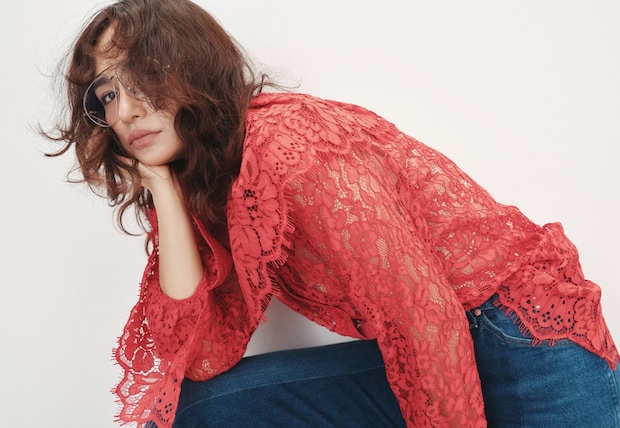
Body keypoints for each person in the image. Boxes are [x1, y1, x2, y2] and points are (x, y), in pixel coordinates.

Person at [43, 0, 620, 427]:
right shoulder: (208, 186)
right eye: (107, 94)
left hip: (524, 340)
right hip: (434, 351)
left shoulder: (289, 145)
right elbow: (198, 354)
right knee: (193, 413)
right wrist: (163, 190)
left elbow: (423, 315)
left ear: (191, 66)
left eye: (143, 75)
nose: (126, 109)